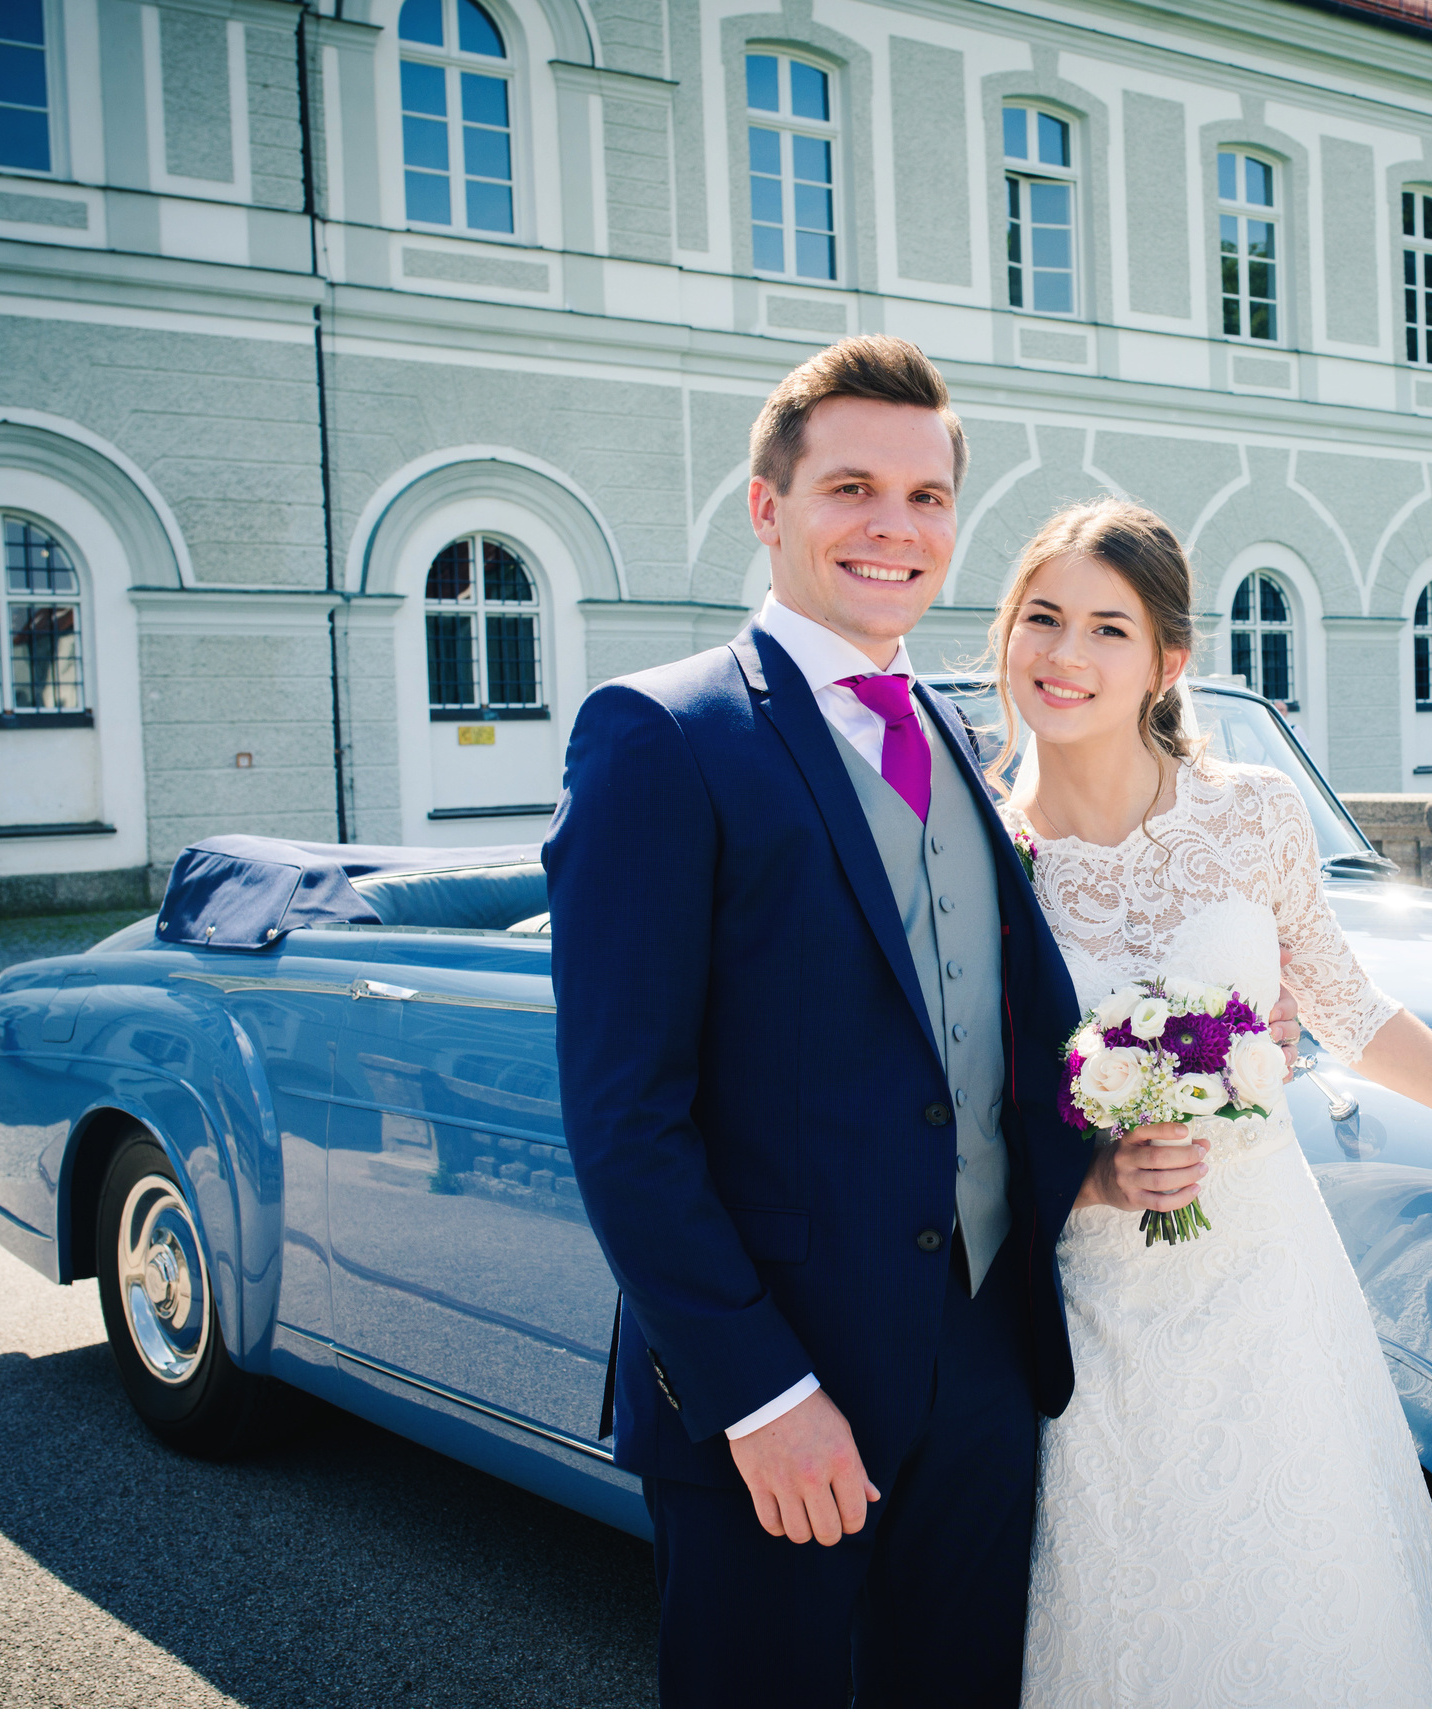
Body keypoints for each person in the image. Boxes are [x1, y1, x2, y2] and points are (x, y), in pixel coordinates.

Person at [544, 339, 1269, 1707]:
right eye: (852, 488)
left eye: (928, 498)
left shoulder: (949, 727)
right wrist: (759, 1395)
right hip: (779, 1400)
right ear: (770, 508)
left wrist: (1090, 1162)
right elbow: (623, 1119)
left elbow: (976, 1033)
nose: (895, 526)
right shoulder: (660, 734)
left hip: (987, 1371)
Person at [989, 498, 1432, 1706]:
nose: (1065, 656)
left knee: (1299, 1585)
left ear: (1168, 659)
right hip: (1086, 1292)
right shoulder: (985, 850)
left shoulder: (1254, 813)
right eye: (1041, 619)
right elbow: (961, 1089)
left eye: (1107, 628)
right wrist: (1092, 1156)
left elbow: (1354, 1014)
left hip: (1259, 1281)